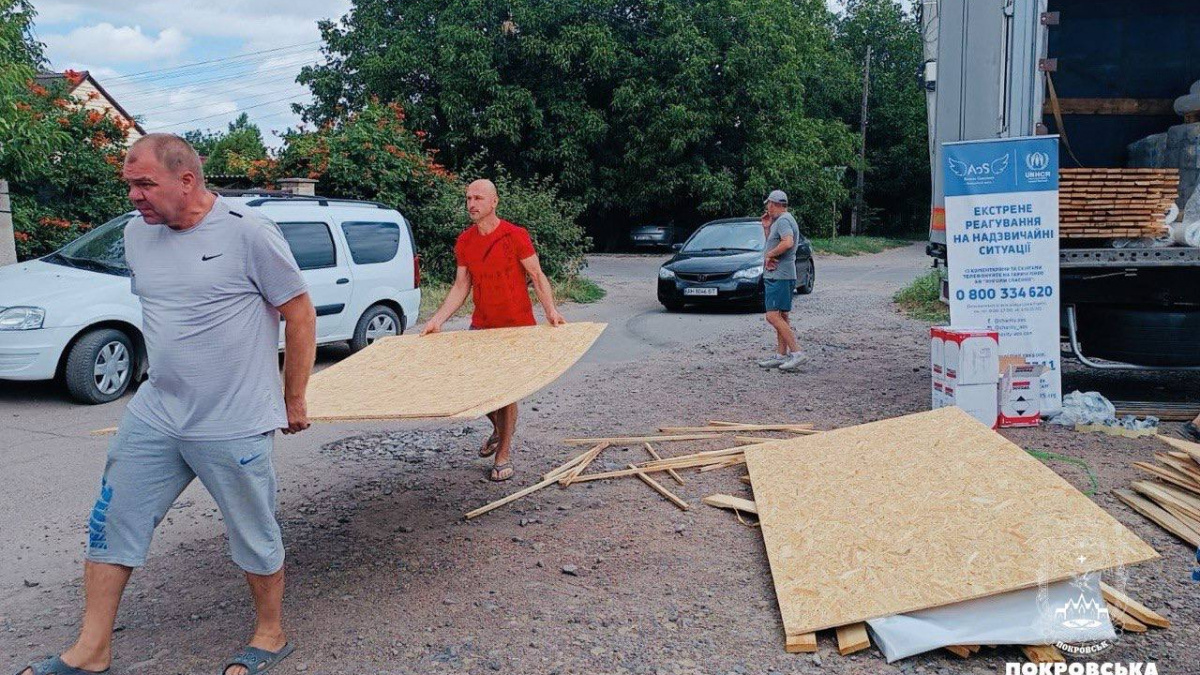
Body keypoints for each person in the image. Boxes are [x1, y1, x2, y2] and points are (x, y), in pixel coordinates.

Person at [13, 134, 317, 675]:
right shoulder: (137, 235)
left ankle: (270, 634)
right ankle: (92, 650)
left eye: (144, 183)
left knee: (252, 529)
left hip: (233, 419)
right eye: (129, 184)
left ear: (187, 180)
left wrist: (293, 396)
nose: (134, 195)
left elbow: (299, 312)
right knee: (113, 519)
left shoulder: (249, 234)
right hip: (157, 412)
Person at [421, 179, 567, 481]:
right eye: (468, 199)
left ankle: (503, 453)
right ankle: (500, 430)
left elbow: (537, 276)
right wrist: (438, 319)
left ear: (494, 201)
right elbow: (462, 286)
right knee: (475, 389)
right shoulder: (464, 241)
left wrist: (551, 311)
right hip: (482, 326)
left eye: (478, 198)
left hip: (517, 328)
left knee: (505, 392)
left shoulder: (515, 236)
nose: (471, 204)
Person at [756, 190, 807, 372]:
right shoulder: (780, 221)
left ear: (773, 203)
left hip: (778, 275)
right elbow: (776, 241)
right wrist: (767, 228)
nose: (767, 208)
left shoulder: (784, 220)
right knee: (782, 316)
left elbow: (787, 242)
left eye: (768, 204)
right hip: (783, 275)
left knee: (772, 316)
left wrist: (769, 255)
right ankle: (781, 355)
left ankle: (797, 353)